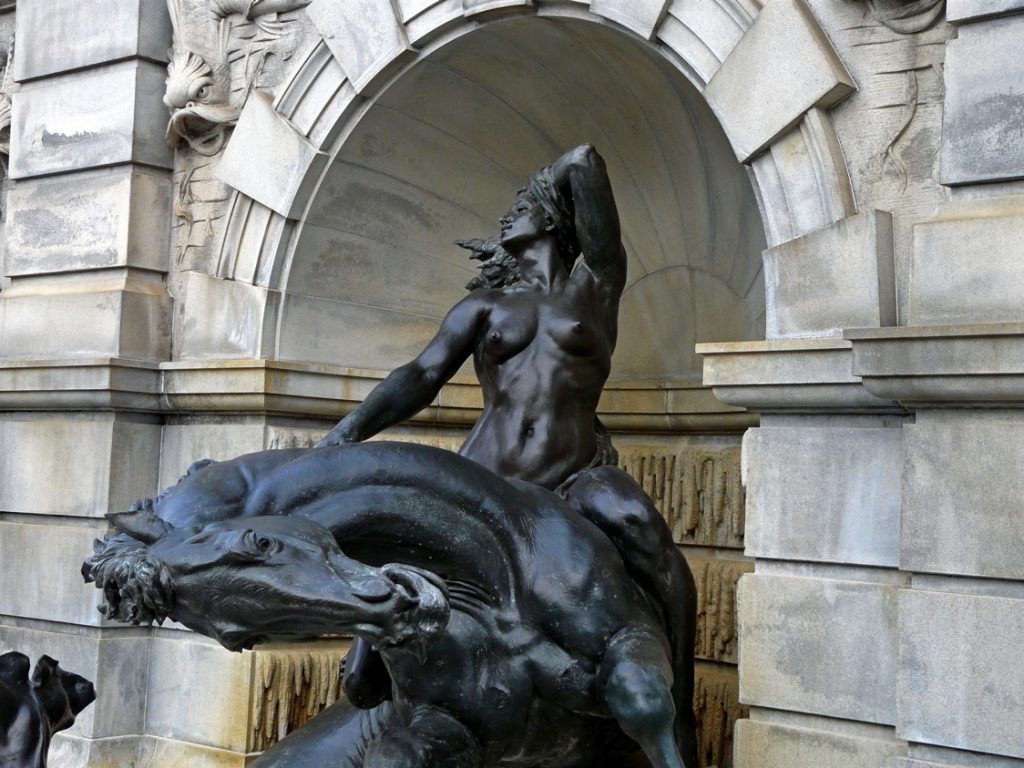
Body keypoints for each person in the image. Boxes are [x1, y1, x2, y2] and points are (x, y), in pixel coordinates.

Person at [318, 144, 698, 764]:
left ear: (552, 217)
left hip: (571, 478)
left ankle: (678, 697)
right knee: (388, 565)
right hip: (485, 476)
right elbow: (421, 374)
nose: (506, 217)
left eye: (521, 206)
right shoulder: (484, 307)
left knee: (639, 524)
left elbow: (586, 162)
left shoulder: (596, 288)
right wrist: (348, 432)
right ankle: (371, 645)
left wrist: (549, 183)